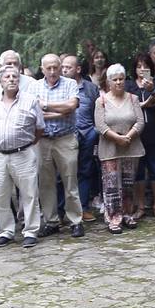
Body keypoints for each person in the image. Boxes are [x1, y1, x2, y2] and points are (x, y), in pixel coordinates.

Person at [0, 65, 44, 249]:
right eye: (7, 77)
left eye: (15, 76)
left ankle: (31, 231)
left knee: (29, 193)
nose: (11, 79)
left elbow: (39, 128)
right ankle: (5, 231)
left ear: (19, 80)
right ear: (0, 81)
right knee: (0, 195)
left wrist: (27, 145)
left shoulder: (31, 100)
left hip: (23, 154)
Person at [31, 53, 83, 238]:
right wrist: (59, 111)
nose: (52, 71)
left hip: (65, 138)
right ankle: (51, 221)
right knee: (46, 183)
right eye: (48, 68)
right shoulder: (34, 86)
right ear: (42, 68)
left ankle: (75, 220)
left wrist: (45, 106)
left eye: (55, 67)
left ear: (61, 67)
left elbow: (71, 106)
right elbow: (33, 114)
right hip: (43, 140)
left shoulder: (70, 84)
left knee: (70, 180)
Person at [95, 63, 145, 233]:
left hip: (131, 147)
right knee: (111, 186)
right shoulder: (101, 101)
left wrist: (128, 137)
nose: (118, 82)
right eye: (114, 79)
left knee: (128, 183)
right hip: (110, 149)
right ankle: (114, 218)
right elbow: (100, 125)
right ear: (109, 82)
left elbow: (140, 121)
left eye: (121, 79)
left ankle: (127, 214)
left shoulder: (133, 99)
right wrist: (117, 138)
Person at [127, 52, 155, 220]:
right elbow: (125, 106)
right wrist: (144, 104)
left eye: (145, 66)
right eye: (138, 66)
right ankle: (140, 206)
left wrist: (153, 91)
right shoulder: (129, 86)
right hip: (136, 136)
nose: (142, 69)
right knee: (138, 173)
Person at [62, 53, 101, 222]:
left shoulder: (90, 88)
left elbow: (98, 109)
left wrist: (94, 131)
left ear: (78, 69)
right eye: (62, 67)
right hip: (66, 135)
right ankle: (61, 210)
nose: (64, 70)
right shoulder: (60, 88)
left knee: (85, 171)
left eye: (68, 67)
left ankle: (83, 208)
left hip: (88, 135)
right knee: (63, 173)